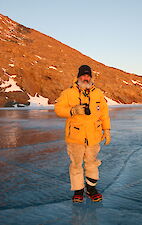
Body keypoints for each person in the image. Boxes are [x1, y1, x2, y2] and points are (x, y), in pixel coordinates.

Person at [54, 65, 111, 203]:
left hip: (94, 135)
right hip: (75, 136)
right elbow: (58, 109)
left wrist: (107, 130)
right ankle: (78, 190)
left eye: (88, 75)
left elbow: (104, 113)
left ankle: (91, 189)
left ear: (91, 77)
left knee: (92, 163)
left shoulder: (98, 93)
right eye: (83, 75)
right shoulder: (68, 93)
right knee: (76, 164)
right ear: (78, 77)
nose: (85, 78)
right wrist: (73, 111)